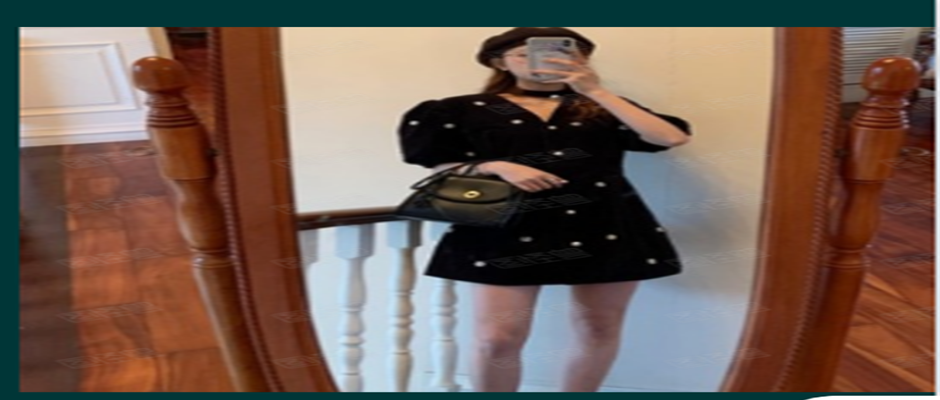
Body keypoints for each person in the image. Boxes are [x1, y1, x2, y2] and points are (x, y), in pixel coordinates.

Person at [396, 27, 693, 392]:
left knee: (598, 327)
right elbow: (436, 164)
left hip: (603, 222)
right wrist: (495, 166)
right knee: (497, 339)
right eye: (525, 53)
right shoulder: (458, 109)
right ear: (499, 62)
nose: (545, 61)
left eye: (566, 53)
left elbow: (671, 137)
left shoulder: (602, 106)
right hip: (503, 226)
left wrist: (595, 90)